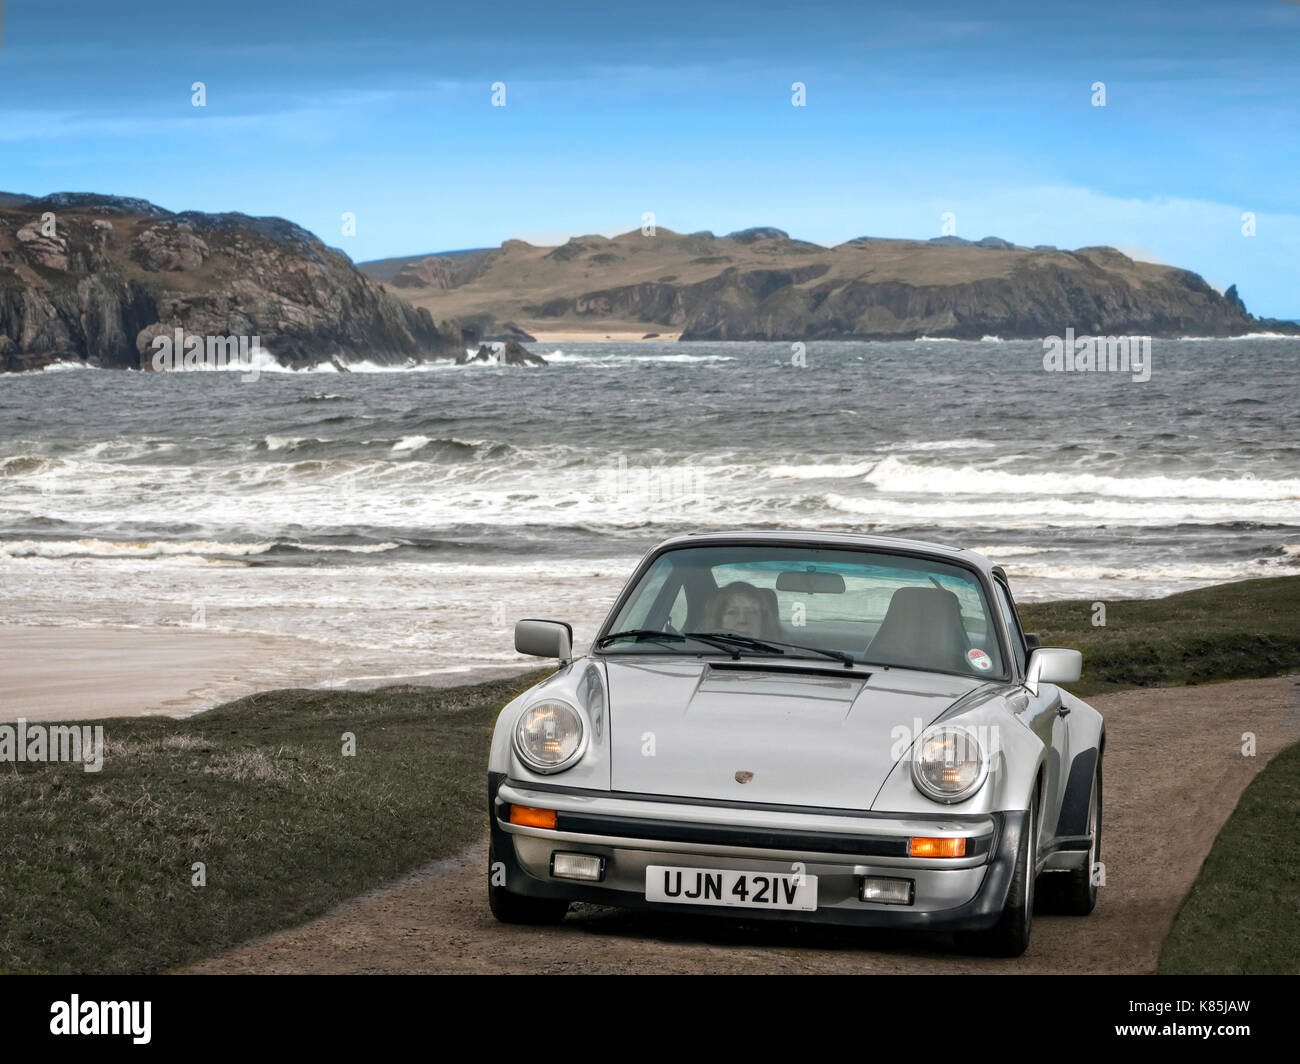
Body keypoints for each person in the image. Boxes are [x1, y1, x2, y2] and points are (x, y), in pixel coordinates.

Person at [706, 581, 779, 641]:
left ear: (763, 620)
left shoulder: (785, 655)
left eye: (751, 612)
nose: (742, 620)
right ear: (719, 620)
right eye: (732, 612)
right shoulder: (701, 653)